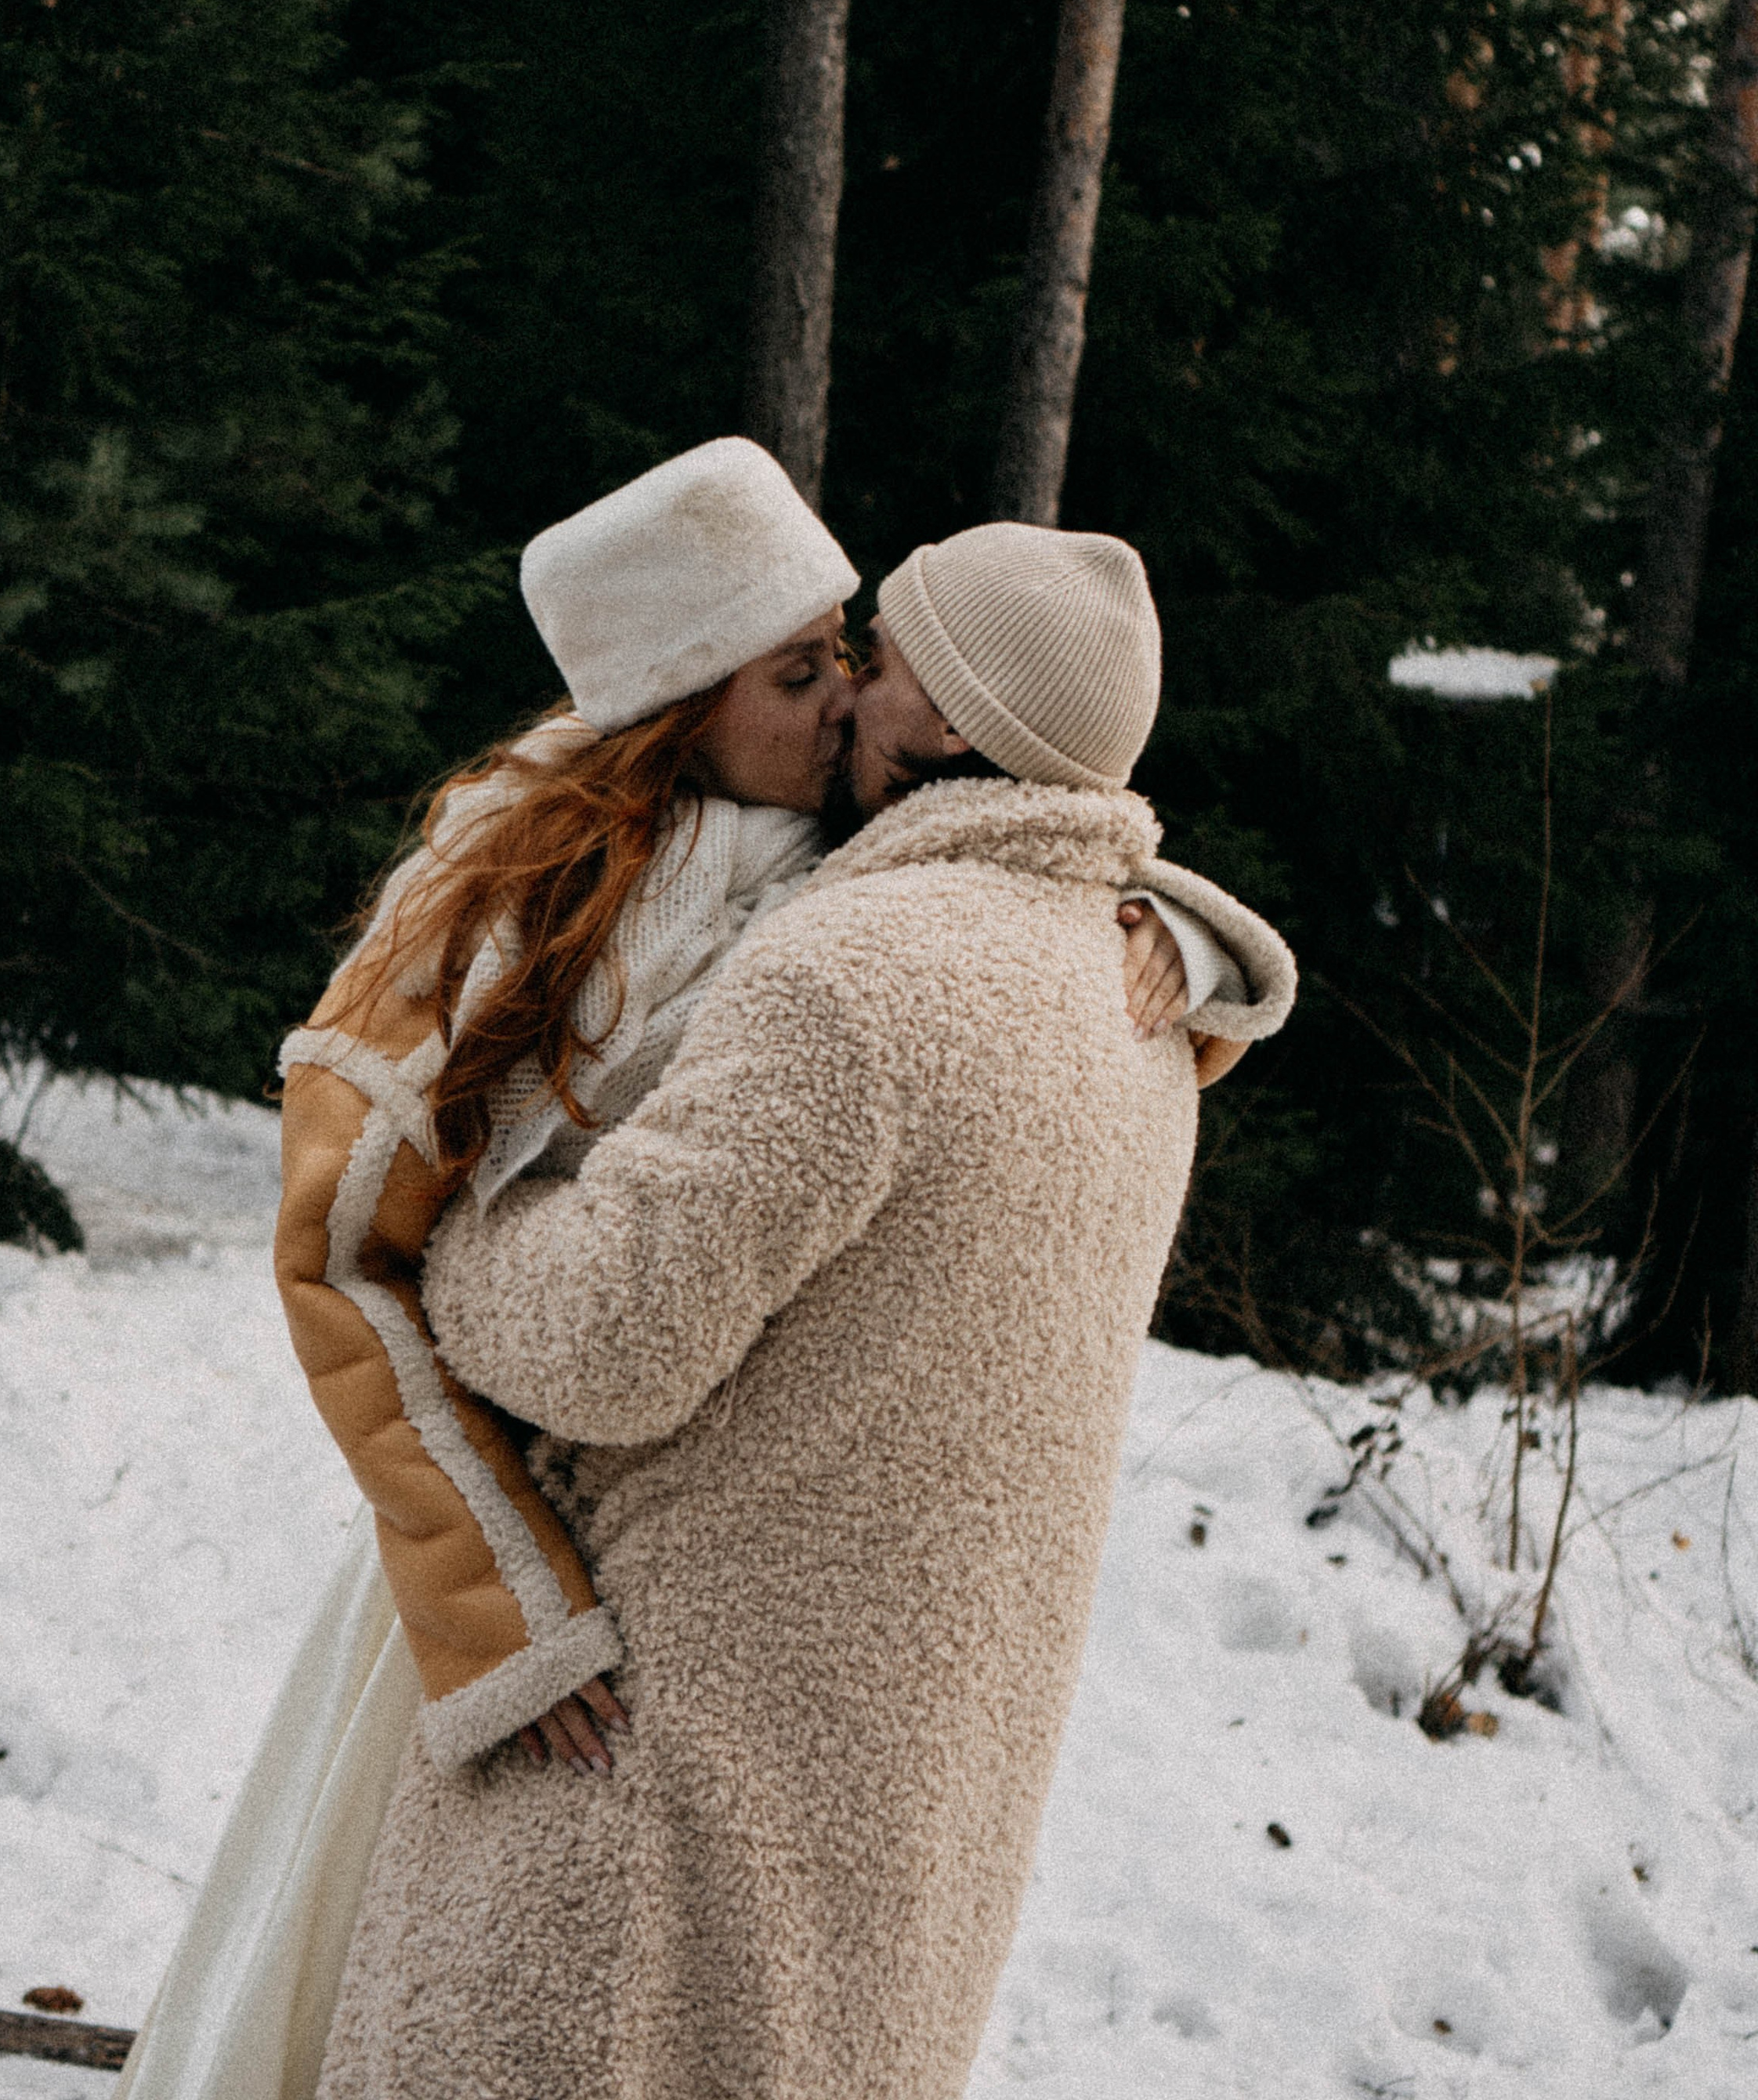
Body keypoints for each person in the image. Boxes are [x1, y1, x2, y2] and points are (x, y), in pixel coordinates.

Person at [111, 443, 1270, 2100]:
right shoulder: (504, 898)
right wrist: (495, 1608)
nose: (842, 695)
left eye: (854, 658)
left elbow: (1018, 876)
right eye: (801, 669)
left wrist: (1199, 936)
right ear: (673, 699)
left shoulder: (852, 897)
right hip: (502, 1569)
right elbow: (345, 1263)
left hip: (680, 1636)